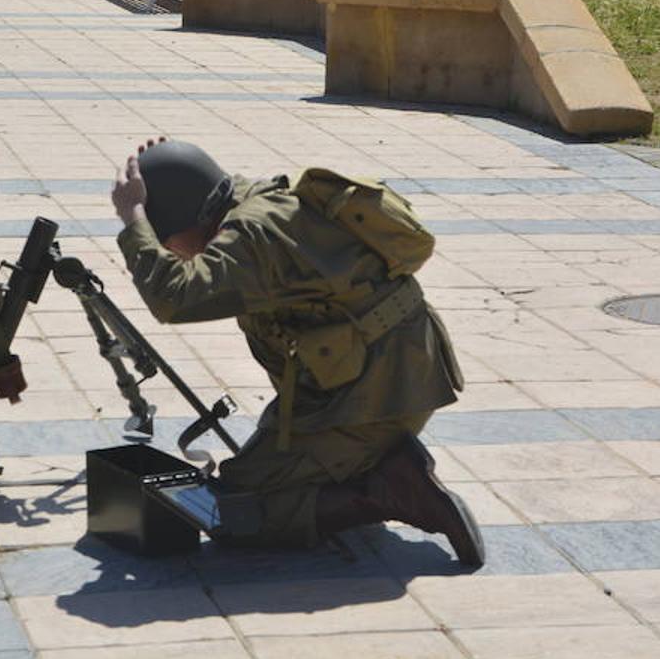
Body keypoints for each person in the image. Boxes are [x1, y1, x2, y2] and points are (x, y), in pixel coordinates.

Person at [109, 139, 484, 565]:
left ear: (188, 218)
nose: (172, 252)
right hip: (381, 379)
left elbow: (173, 298)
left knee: (234, 514)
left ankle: (389, 492)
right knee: (247, 481)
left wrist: (133, 218)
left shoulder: (253, 235)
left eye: (167, 241)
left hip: (375, 399)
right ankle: (365, 464)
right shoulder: (258, 205)